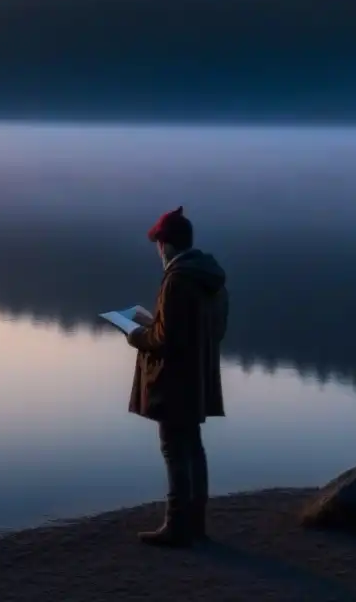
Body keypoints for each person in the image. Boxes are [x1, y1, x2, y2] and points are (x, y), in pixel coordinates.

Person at [127, 206, 228, 547]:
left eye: (158, 243)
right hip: (198, 376)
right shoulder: (210, 276)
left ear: (167, 245)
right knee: (193, 448)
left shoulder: (176, 278)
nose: (158, 250)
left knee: (173, 448)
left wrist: (136, 335)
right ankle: (196, 523)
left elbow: (163, 339)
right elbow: (216, 329)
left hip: (173, 380)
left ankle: (177, 527)